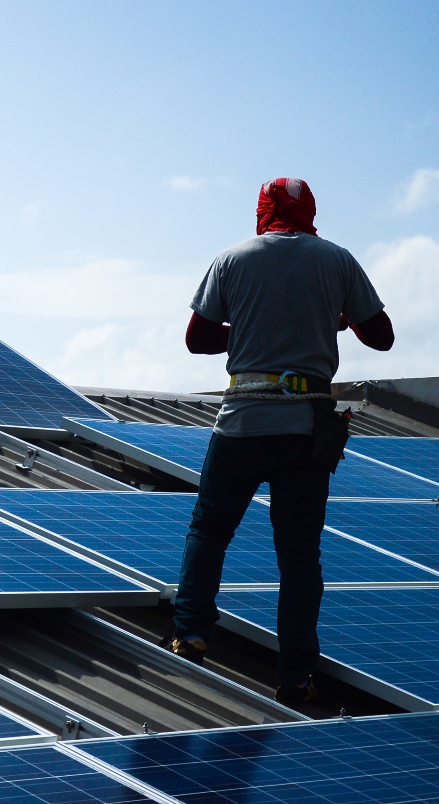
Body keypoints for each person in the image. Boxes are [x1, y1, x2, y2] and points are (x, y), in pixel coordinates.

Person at [167, 177, 394, 707]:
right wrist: (327, 321)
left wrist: (248, 327)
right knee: (298, 557)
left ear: (262, 211)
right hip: (305, 429)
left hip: (242, 422)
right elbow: (380, 336)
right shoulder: (337, 260)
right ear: (310, 211)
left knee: (210, 530)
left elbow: (198, 339)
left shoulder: (232, 260)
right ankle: (294, 674)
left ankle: (192, 632)